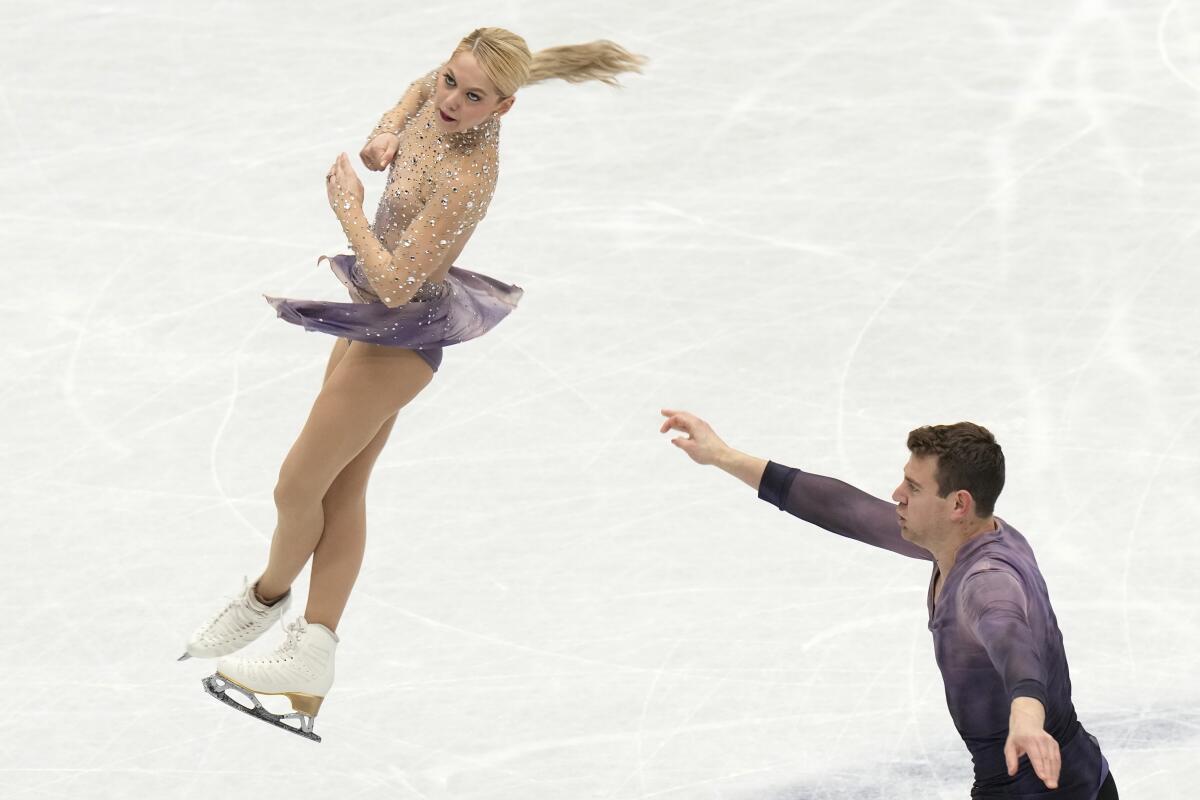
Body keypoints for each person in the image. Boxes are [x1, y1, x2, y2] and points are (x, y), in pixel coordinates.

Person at [179, 28, 645, 742]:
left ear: (504, 108)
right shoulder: (441, 91)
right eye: (451, 82)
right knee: (339, 490)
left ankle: (267, 599)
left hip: (404, 333)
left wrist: (347, 210)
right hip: (370, 321)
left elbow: (396, 283)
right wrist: (384, 135)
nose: (452, 99)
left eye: (474, 95)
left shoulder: (469, 178)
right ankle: (311, 661)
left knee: (295, 487)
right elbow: (412, 93)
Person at [659, 409, 1117, 799]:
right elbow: (846, 510)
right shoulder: (972, 535)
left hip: (1035, 786)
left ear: (958, 504)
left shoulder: (986, 582)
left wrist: (1026, 716)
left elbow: (1012, 642)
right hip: (1075, 773)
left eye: (913, 488)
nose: (897, 494)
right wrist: (722, 455)